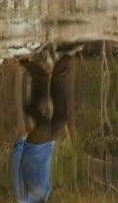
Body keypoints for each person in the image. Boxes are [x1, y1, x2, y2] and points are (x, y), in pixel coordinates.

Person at [10, 48, 75, 202]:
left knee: (44, 124)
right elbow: (45, 168)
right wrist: (52, 144)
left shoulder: (23, 199)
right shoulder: (45, 197)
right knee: (62, 117)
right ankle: (64, 60)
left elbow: (15, 169)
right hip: (47, 143)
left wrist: (20, 143)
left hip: (32, 146)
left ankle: (29, 108)